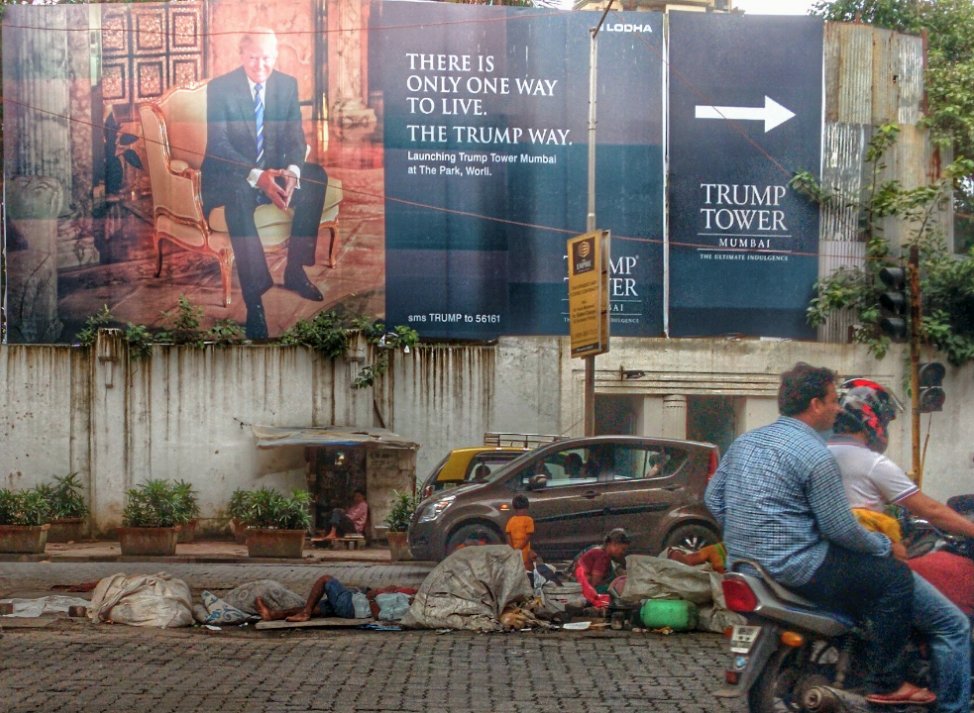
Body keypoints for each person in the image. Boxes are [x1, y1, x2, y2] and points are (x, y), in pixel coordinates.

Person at [705, 362, 932, 707]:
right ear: (814, 405)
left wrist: (746, 532)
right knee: (895, 579)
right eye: (831, 400)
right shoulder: (814, 454)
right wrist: (885, 544)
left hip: (745, 564)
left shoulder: (745, 442)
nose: (838, 409)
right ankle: (887, 682)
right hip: (799, 567)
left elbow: (712, 499)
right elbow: (838, 529)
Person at [829, 378, 971, 713]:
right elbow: (932, 511)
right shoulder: (872, 463)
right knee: (953, 625)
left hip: (827, 564)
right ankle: (955, 707)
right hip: (869, 564)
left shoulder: (816, 456)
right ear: (872, 420)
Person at [201, 28, 328, 340]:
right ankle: (254, 301)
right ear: (242, 55)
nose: (261, 65)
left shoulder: (286, 85)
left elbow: (295, 137)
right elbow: (219, 146)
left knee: (316, 176)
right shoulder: (221, 88)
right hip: (232, 174)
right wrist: (259, 177)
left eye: (267, 57)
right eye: (254, 57)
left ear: (276, 55)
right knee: (237, 201)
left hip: (273, 170)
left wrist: (292, 172)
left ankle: (295, 271)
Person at [254, 574, 355, 622]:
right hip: (353, 606)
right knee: (314, 607)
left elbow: (371, 595)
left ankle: (305, 613)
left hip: (353, 605)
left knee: (325, 579)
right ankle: (272, 615)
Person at [571, 528, 630, 609]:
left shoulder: (598, 549)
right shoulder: (602, 556)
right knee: (610, 592)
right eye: (623, 549)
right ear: (614, 544)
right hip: (583, 588)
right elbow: (595, 583)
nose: (623, 553)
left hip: (579, 584)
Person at [505, 494, 535, 569]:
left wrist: (512, 548)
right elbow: (528, 536)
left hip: (514, 551)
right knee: (526, 568)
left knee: (516, 567)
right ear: (527, 507)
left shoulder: (511, 520)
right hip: (524, 550)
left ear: (514, 508)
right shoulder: (528, 520)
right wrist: (520, 548)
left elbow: (508, 534)